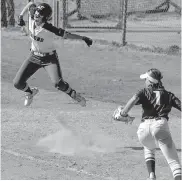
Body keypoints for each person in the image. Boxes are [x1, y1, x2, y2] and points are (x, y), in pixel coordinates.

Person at [14, 1, 93, 107]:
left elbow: (67, 35)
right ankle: (30, 92)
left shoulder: (49, 28)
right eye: (36, 13)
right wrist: (20, 16)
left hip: (49, 59)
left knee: (58, 83)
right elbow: (31, 3)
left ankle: (74, 95)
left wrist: (83, 38)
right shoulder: (32, 17)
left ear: (45, 17)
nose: (36, 16)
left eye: (40, 15)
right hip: (34, 57)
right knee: (17, 83)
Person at [113, 68, 181, 180]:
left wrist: (123, 113)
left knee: (148, 147)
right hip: (160, 126)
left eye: (145, 79)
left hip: (143, 129)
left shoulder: (144, 92)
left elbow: (134, 99)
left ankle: (151, 175)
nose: (144, 81)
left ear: (150, 81)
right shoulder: (169, 95)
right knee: (174, 163)